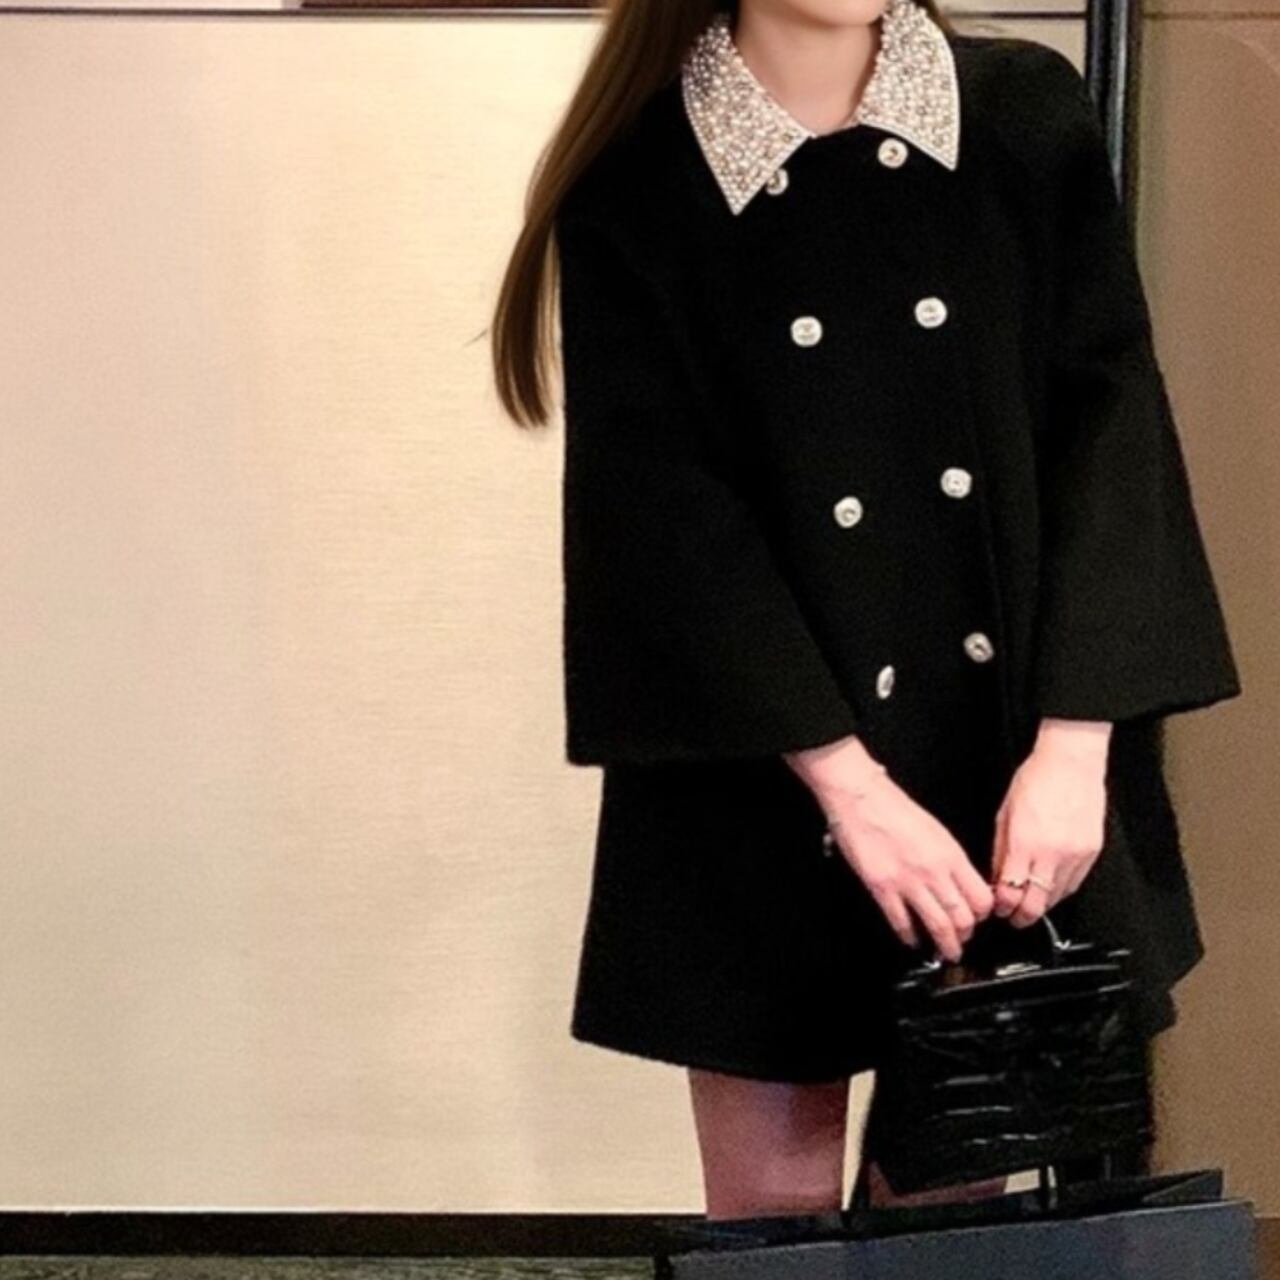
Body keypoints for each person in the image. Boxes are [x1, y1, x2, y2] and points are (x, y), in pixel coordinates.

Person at [488, 0, 1242, 1219]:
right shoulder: (642, 174)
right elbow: (668, 519)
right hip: (765, 754)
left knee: (952, 1198)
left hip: (998, 751)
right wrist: (849, 791)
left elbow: (1108, 428)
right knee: (770, 1208)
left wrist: (1073, 747)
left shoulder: (1018, 115)